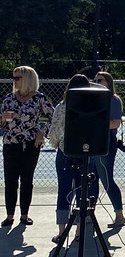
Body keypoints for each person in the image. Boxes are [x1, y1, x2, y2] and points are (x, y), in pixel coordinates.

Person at [1, 66, 54, 228]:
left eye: (18, 78)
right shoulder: (9, 98)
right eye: (14, 78)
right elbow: (2, 122)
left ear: (27, 79)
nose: (14, 81)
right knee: (10, 180)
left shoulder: (40, 98)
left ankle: (24, 215)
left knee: (27, 180)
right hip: (11, 142)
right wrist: (3, 119)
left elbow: (48, 115)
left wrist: (41, 132)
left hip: (31, 143)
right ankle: (9, 216)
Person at [46, 74, 92, 242]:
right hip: (85, 152)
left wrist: (56, 143)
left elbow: (55, 129)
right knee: (82, 191)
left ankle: (61, 231)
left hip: (66, 151)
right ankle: (79, 232)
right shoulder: (92, 106)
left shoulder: (62, 106)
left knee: (64, 191)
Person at [92, 71, 125, 229]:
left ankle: (119, 215)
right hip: (91, 142)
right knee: (90, 179)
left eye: (101, 80)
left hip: (105, 144)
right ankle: (88, 214)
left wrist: (95, 123)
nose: (97, 82)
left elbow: (115, 123)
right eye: (95, 80)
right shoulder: (93, 99)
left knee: (106, 179)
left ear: (108, 82)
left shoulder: (113, 100)